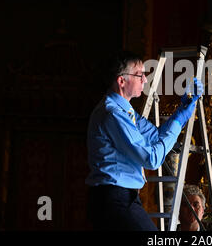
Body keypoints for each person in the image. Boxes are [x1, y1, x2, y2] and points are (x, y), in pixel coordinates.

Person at [85, 50, 203, 231]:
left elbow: (155, 136)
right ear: (121, 81)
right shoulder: (113, 114)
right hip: (113, 200)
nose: (145, 80)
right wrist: (179, 120)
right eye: (139, 75)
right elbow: (152, 159)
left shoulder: (126, 111)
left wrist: (180, 113)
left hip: (120, 198)